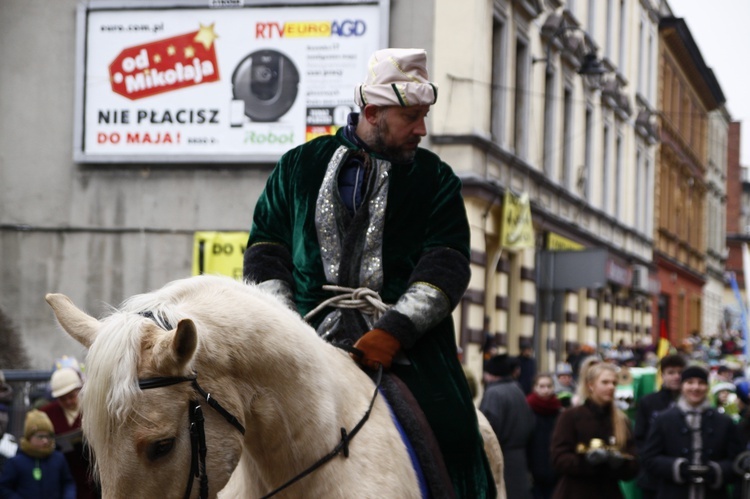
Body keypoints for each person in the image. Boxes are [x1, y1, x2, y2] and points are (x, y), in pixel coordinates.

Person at [243, 48, 495, 497]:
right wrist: (284, 330)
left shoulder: (437, 178)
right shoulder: (297, 165)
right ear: (373, 112)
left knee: (457, 433)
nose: (422, 128)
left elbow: (447, 262)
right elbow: (266, 248)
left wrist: (393, 332)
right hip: (305, 334)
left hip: (409, 350)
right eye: (412, 116)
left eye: (425, 116)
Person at [641, 365, 742, 499]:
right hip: (673, 493)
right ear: (682, 386)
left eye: (701, 383)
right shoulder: (663, 419)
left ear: (707, 387)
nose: (695, 387)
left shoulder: (724, 421)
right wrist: (678, 468)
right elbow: (649, 458)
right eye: (690, 382)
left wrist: (714, 470)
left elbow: (735, 461)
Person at [550, 362, 639, 498]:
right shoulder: (571, 416)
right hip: (575, 492)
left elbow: (633, 463)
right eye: (605, 382)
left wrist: (620, 463)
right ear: (590, 385)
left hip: (609, 492)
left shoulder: (621, 420)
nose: (611, 387)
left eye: (614, 383)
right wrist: (586, 461)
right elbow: (558, 458)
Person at [479, 354, 534, 499]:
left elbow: (488, 430)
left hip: (502, 459)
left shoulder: (494, 393)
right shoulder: (516, 388)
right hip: (519, 458)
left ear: (491, 374)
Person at [633, 353, 686, 499]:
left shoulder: (692, 404)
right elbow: (639, 436)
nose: (676, 377)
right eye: (671, 373)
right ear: (662, 375)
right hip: (653, 477)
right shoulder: (648, 402)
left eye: (680, 373)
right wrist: (650, 461)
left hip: (683, 475)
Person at [39, 367, 96, 499]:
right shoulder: (46, 414)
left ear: (79, 391)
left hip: (91, 474)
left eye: (71, 396)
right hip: (61, 475)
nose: (68, 402)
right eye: (62, 399)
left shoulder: (92, 408)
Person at [0, 409, 76, 498]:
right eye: (40, 436)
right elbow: (4, 488)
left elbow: (68, 482)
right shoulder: (16, 462)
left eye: (48, 436)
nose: (45, 440)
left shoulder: (58, 458)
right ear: (29, 437)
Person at [525, 373, 562, 499]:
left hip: (555, 470)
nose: (545, 390)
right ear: (535, 388)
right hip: (534, 470)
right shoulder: (527, 409)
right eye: (541, 386)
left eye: (549, 386)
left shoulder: (559, 410)